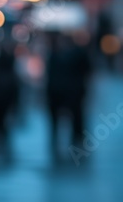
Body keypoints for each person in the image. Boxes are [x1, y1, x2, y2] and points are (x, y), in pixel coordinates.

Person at [45, 32, 92, 161]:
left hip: (63, 92)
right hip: (69, 92)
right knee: (74, 117)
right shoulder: (74, 54)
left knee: (67, 118)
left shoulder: (56, 55)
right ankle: (75, 139)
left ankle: (70, 139)